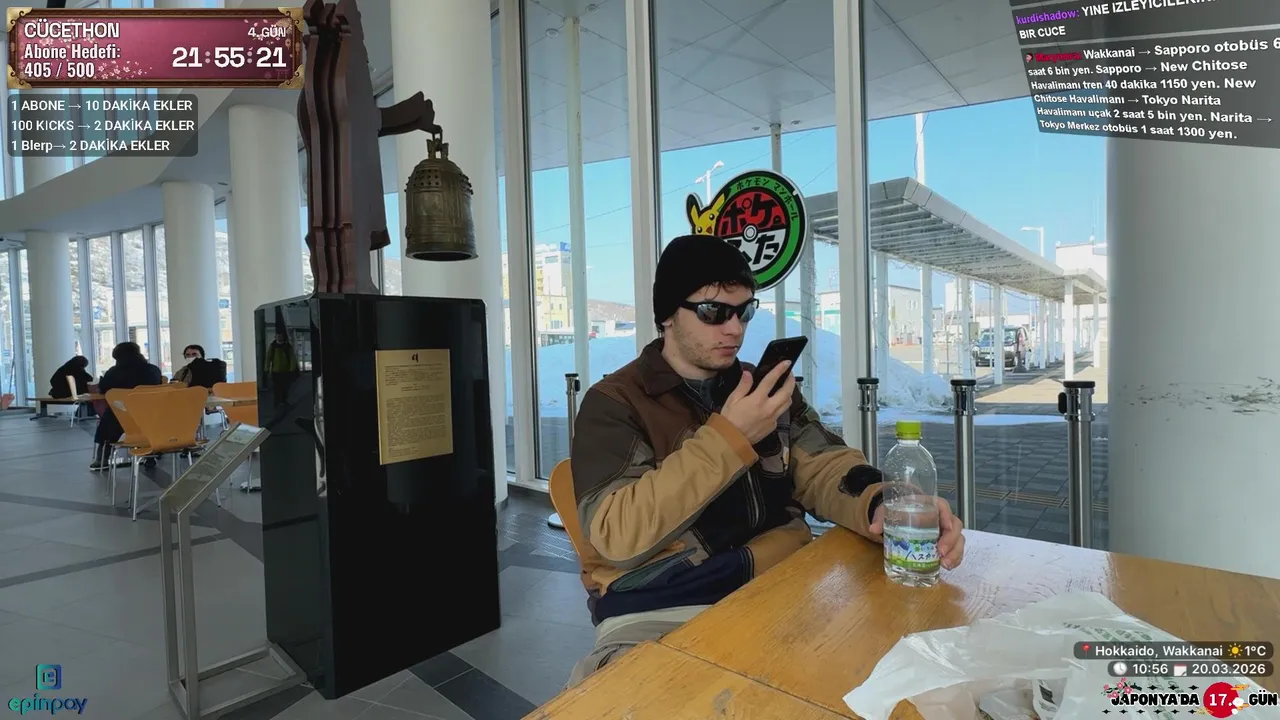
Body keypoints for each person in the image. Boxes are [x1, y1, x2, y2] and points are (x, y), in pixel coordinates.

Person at [565, 235, 967, 685]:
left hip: (782, 580)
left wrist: (886, 504)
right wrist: (731, 437)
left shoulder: (760, 387)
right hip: (662, 606)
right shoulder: (615, 403)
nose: (734, 329)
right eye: (714, 312)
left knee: (919, 666)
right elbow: (617, 533)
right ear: (667, 316)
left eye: (744, 312)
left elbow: (825, 464)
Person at [91, 342, 163, 471]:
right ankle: (149, 456)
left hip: (120, 416)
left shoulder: (113, 372)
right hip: (149, 416)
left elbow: (104, 390)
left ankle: (102, 458)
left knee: (109, 418)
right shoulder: (152, 370)